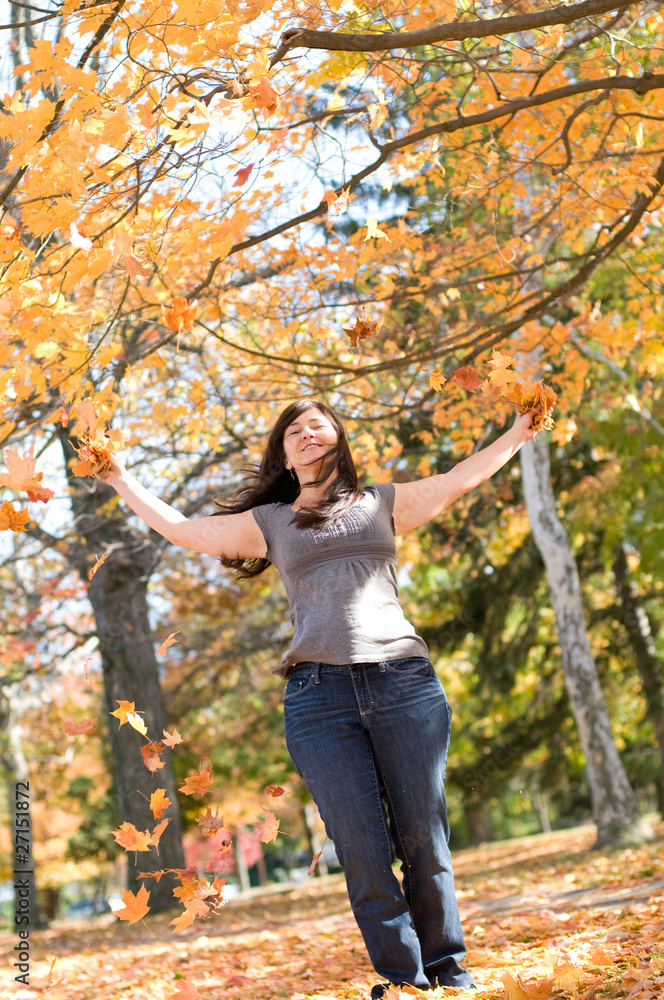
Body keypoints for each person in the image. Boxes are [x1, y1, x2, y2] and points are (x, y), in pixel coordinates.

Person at [90, 398, 536, 997]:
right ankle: (404, 982)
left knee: (423, 839)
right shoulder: (270, 522)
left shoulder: (381, 503)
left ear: (338, 440)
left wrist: (518, 431)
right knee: (360, 846)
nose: (305, 433)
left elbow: (459, 478)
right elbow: (181, 529)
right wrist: (118, 475)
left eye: (317, 425)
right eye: (293, 430)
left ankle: (449, 972)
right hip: (318, 698)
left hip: (402, 682)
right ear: (284, 453)